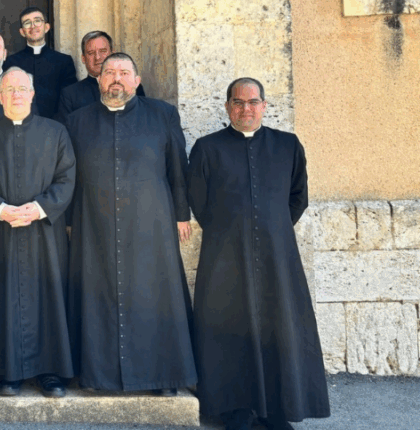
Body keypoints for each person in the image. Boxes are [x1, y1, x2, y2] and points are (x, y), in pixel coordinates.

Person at [187, 78, 329, 430]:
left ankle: (276, 410)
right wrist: (230, 230)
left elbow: (298, 197)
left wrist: (272, 228)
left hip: (276, 257)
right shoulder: (207, 148)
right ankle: (236, 410)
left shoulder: (288, 145)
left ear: (264, 106)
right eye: (238, 102)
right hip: (225, 256)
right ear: (227, 107)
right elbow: (199, 202)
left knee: (277, 327)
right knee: (228, 328)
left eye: (253, 102)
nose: (245, 109)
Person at [64, 52, 196, 395]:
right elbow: (68, 177)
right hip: (93, 222)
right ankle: (98, 376)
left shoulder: (163, 114)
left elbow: (177, 167)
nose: (116, 78)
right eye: (109, 72)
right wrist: (68, 221)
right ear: (99, 80)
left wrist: (182, 214)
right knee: (97, 295)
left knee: (155, 293)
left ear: (137, 80)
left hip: (152, 222)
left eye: (124, 72)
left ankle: (163, 377)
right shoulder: (77, 121)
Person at [0, 67, 76, 397]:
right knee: (1, 297)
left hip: (44, 232)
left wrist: (39, 208)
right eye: (9, 89)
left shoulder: (56, 132)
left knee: (48, 298)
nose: (16, 94)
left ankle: (50, 372)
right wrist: (0, 209)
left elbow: (67, 178)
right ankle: (8, 372)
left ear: (32, 94)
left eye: (22, 88)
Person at [3, 6, 77, 119]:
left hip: (55, 125)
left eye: (37, 21)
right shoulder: (11, 62)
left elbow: (69, 99)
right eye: (27, 23)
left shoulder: (64, 61)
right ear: (22, 32)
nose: (33, 26)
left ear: (46, 27)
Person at [55, 31, 144, 122]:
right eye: (91, 53)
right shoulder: (70, 94)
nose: (97, 57)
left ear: (112, 54)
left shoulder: (131, 86)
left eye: (103, 51)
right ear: (83, 58)